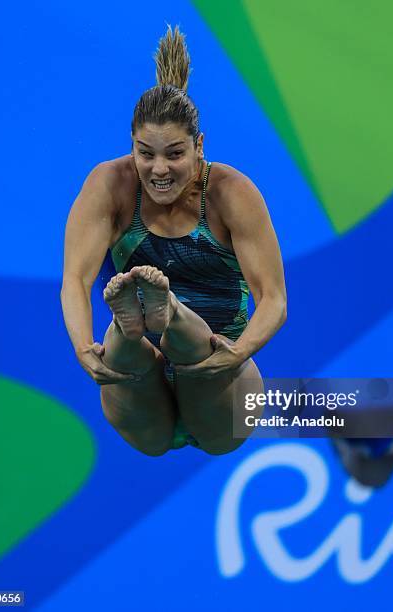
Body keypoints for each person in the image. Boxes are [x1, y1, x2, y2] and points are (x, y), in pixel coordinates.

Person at [60, 25, 287, 456]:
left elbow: (273, 298)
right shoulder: (110, 185)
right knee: (140, 388)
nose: (158, 169)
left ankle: (166, 317)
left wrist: (236, 354)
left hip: (218, 362)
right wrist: (81, 346)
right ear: (131, 145)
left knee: (194, 359)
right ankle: (135, 329)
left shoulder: (231, 193)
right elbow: (74, 279)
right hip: (156, 368)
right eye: (145, 153)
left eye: (175, 154)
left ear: (199, 146)